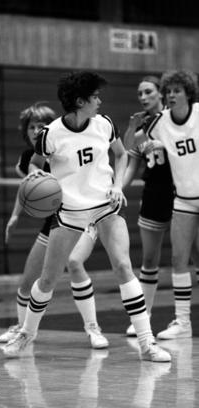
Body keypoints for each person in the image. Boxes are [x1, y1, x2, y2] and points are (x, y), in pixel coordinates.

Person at [2, 70, 171, 362]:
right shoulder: (50, 134)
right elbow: (35, 165)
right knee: (48, 279)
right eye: (95, 97)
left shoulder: (104, 124)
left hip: (105, 207)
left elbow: (122, 155)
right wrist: (39, 178)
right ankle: (26, 334)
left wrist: (117, 185)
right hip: (69, 212)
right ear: (80, 101)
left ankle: (147, 342)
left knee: (122, 266)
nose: (100, 101)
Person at [0, 101, 108, 349]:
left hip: (84, 215)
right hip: (56, 221)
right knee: (28, 280)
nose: (37, 130)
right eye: (32, 126)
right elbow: (27, 190)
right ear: (25, 131)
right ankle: (21, 327)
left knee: (74, 263)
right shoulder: (28, 159)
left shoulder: (64, 145)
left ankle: (93, 328)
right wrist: (15, 216)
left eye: (42, 125)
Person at [124, 69, 199, 339]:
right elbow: (133, 148)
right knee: (176, 259)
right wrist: (133, 129)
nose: (172, 95)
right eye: (169, 91)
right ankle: (181, 322)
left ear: (188, 93)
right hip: (180, 199)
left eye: (176, 90)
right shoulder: (158, 123)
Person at [122, 76, 175, 336]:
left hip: (180, 192)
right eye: (140, 93)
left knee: (188, 256)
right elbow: (129, 160)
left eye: (148, 92)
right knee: (149, 258)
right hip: (153, 194)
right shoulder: (142, 129)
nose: (143, 97)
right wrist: (115, 191)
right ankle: (144, 319)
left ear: (160, 94)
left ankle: (183, 320)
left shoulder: (175, 121)